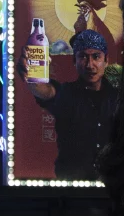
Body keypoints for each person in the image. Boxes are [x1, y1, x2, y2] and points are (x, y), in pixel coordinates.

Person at [17, 29, 118, 180]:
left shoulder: (118, 98)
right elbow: (44, 90)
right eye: (83, 56)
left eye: (96, 57)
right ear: (74, 61)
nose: (90, 65)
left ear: (106, 60)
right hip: (71, 189)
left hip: (111, 188)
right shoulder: (66, 93)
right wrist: (29, 72)